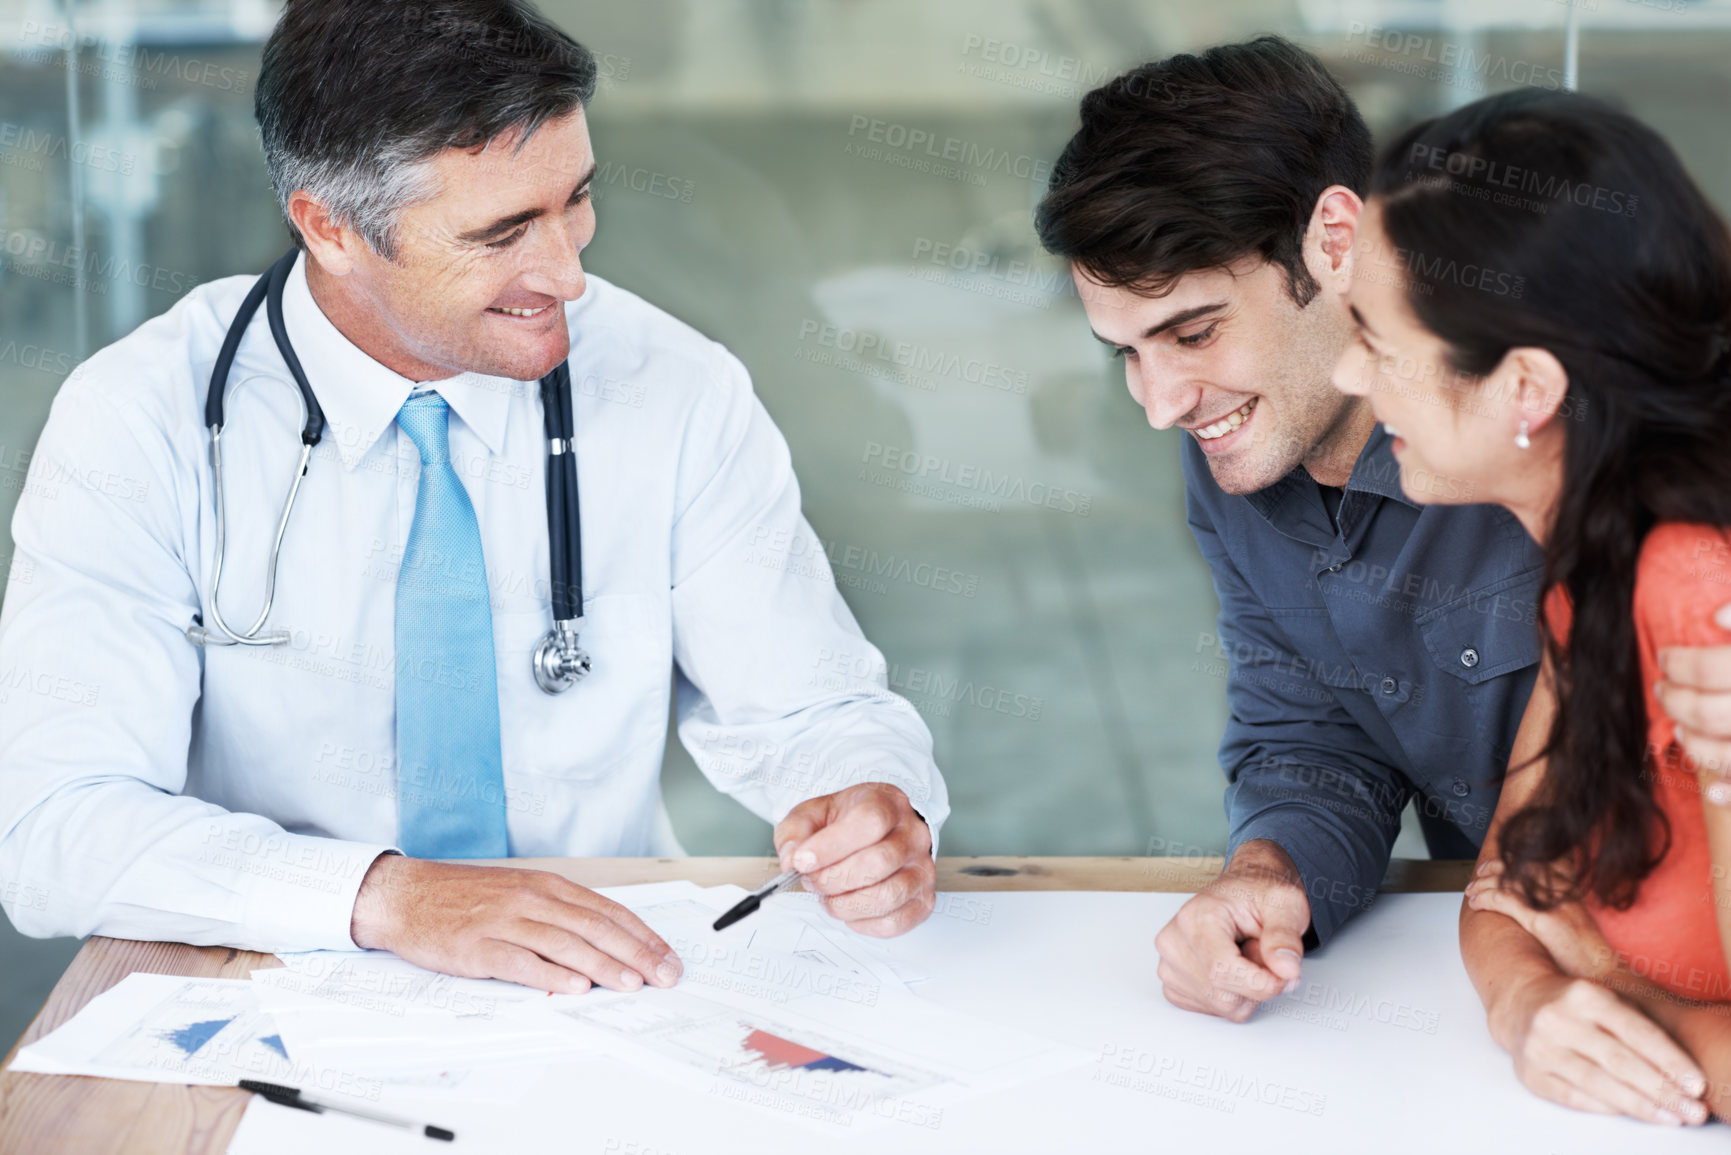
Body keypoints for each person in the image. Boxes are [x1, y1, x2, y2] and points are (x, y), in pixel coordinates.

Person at [0, 0, 947, 996]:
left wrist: (869, 799)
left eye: (575, 200)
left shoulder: (672, 386)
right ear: (330, 229)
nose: (570, 273)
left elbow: (812, 708)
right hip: (275, 977)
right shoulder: (139, 420)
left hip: (613, 978)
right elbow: (52, 825)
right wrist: (390, 898)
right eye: (503, 233)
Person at [1034, 36, 1731, 1122]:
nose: (1161, 402)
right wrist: (1273, 877)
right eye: (1125, 352)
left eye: (1192, 331)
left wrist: (1621, 998)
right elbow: (1427, 831)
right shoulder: (1574, 582)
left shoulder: (1668, 566)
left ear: (1335, 242)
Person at [1331, 87, 1731, 1125]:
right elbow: (1505, 893)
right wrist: (1529, 1003)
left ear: (1526, 390)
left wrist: (1613, 984)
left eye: (1375, 340)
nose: (1344, 372)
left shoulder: (1699, 591)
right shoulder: (1591, 558)